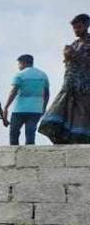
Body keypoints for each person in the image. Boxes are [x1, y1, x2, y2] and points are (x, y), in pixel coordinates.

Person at [40, 14, 90, 144]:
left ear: (86, 26)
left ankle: (81, 139)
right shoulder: (74, 44)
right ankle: (64, 138)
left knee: (83, 115)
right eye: (74, 28)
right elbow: (69, 64)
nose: (76, 31)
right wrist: (68, 56)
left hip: (85, 86)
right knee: (61, 110)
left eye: (79, 27)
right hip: (70, 85)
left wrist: (76, 56)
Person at [5, 54, 51, 145]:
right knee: (30, 133)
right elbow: (46, 94)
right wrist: (44, 107)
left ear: (23, 63)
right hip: (36, 109)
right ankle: (30, 154)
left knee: (14, 132)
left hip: (19, 109)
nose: (19, 66)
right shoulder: (43, 75)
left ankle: (14, 153)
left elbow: (13, 92)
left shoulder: (20, 75)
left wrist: (6, 106)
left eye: (19, 64)